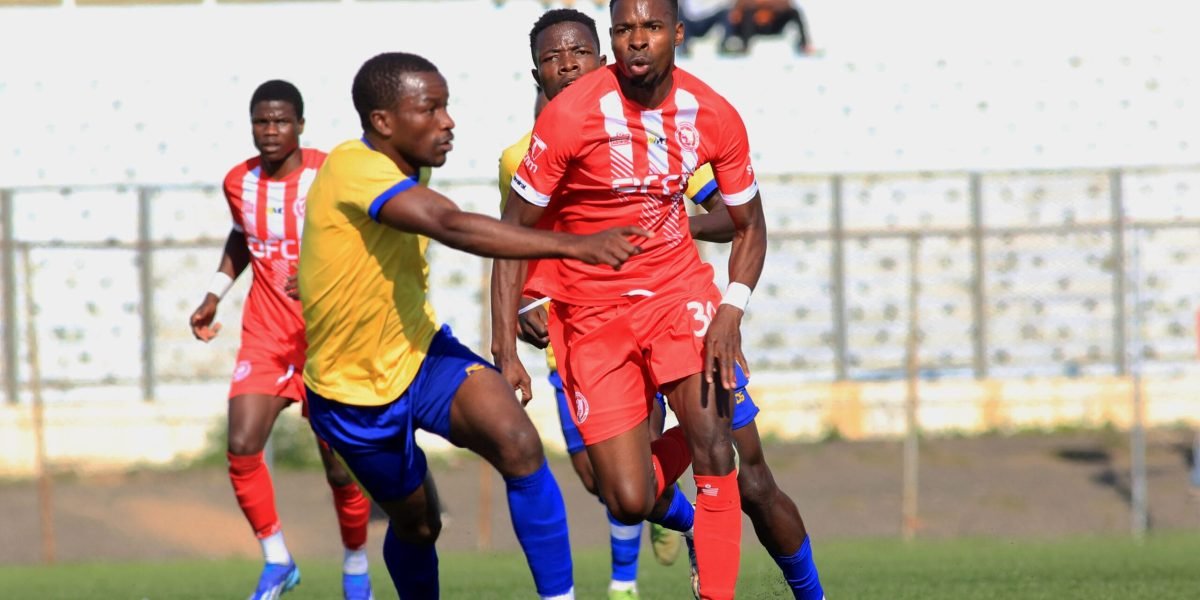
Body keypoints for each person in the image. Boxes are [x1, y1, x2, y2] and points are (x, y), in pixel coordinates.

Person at [297, 52, 649, 600]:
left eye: (447, 106)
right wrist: (576, 245)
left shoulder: (408, 162)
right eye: (429, 109)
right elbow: (451, 225)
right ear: (383, 122)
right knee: (419, 525)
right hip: (352, 393)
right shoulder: (353, 166)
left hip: (421, 355)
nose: (447, 121)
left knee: (518, 443)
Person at [500, 9, 826, 600]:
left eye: (578, 52)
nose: (567, 64)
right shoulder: (546, 139)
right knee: (627, 496)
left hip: (679, 299)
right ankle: (688, 530)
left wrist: (728, 303)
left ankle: (806, 593)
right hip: (592, 321)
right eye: (553, 58)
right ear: (536, 74)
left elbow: (742, 221)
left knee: (742, 472)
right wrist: (515, 321)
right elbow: (515, 238)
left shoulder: (703, 115)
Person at [188, 80, 374, 600]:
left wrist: (325, 271)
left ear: (300, 125)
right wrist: (214, 293)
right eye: (261, 122)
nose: (270, 131)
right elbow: (242, 237)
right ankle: (277, 561)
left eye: (281, 121)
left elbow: (363, 233)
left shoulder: (328, 171)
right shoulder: (238, 182)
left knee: (340, 467)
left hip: (328, 336)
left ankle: (356, 566)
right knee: (243, 443)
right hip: (267, 334)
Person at [725, 0, 811, 55]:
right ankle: (743, 46)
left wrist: (769, 11)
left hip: (773, 24)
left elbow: (787, 4)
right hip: (754, 25)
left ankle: (804, 45)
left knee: (794, 12)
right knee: (746, 14)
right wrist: (758, 9)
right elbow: (739, 5)